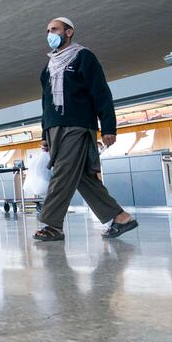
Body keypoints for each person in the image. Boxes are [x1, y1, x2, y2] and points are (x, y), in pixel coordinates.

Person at [34, 17, 138, 241]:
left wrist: (108, 127)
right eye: (48, 30)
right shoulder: (48, 67)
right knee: (81, 176)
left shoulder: (83, 57)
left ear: (69, 32)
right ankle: (120, 217)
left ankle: (53, 225)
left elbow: (101, 92)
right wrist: (45, 134)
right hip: (54, 127)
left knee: (62, 172)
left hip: (78, 125)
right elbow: (45, 102)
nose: (50, 34)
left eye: (54, 29)